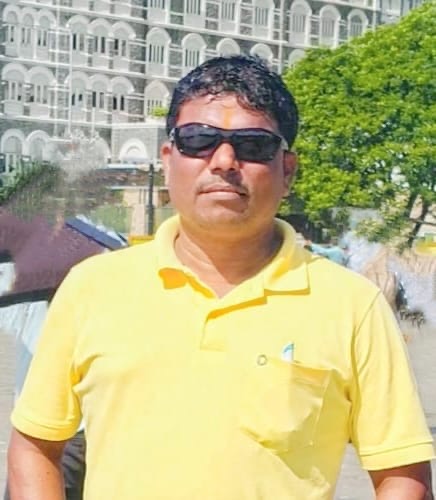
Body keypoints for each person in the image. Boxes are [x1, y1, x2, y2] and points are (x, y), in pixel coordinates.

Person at [7, 55, 434, 499]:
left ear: (287, 170)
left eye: (253, 145)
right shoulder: (92, 288)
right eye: (199, 139)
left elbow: (402, 473)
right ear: (168, 159)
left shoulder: (352, 306)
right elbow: (35, 445)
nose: (224, 161)